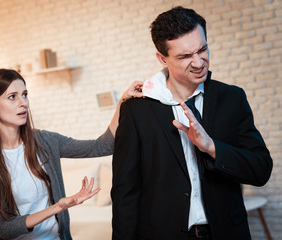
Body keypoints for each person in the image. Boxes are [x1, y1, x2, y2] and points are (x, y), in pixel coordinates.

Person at [111, 6, 273, 240]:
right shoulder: (137, 110)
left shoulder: (232, 98)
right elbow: (125, 192)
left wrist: (211, 147)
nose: (199, 62)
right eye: (185, 56)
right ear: (162, 58)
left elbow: (261, 169)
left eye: (203, 49)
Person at [0, 68, 143, 240]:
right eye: (12, 97)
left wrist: (122, 103)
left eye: (25, 94)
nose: (23, 103)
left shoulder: (44, 141)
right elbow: (4, 228)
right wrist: (58, 207)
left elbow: (101, 146)